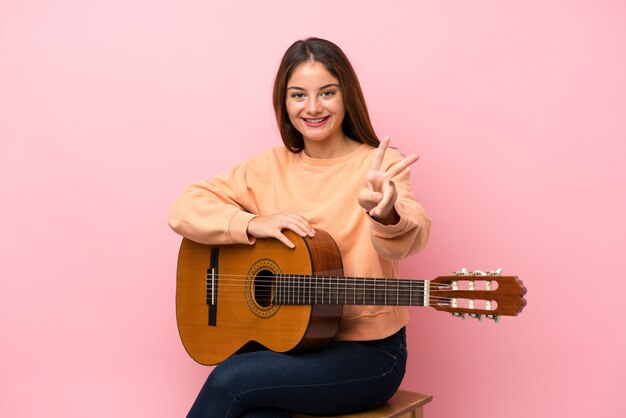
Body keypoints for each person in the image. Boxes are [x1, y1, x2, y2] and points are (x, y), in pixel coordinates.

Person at [168, 37, 431, 418]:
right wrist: (250, 223)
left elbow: (409, 237)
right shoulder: (267, 168)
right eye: (298, 95)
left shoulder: (380, 166)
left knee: (230, 380)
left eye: (327, 92)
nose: (312, 108)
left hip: (369, 356)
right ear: (283, 102)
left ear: (347, 96)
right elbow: (183, 209)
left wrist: (387, 213)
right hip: (289, 348)